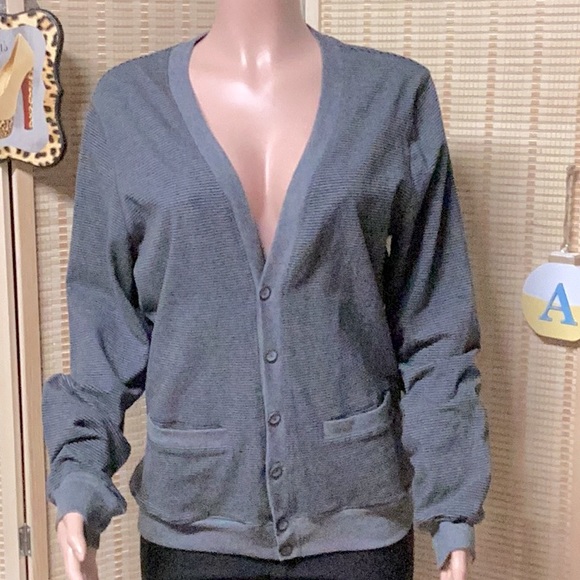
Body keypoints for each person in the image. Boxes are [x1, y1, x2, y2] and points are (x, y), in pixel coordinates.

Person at [42, 1, 491, 579]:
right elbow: (104, 318)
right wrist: (80, 477)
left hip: (359, 521)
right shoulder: (127, 105)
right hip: (192, 526)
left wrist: (452, 507)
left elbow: (435, 322)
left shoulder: (393, 97)